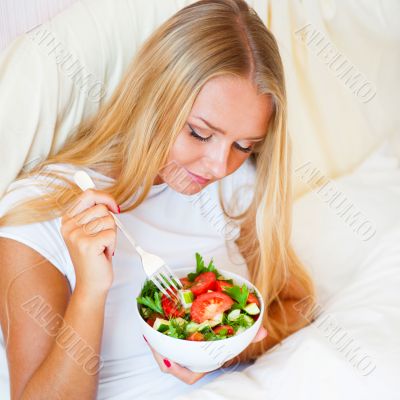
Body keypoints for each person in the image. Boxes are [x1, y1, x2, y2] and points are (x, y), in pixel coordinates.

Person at [0, 0, 316, 398]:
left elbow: (295, 302)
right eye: (200, 133)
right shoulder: (38, 212)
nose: (219, 165)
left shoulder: (234, 188)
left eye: (244, 144)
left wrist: (223, 351)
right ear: (152, 100)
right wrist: (91, 290)